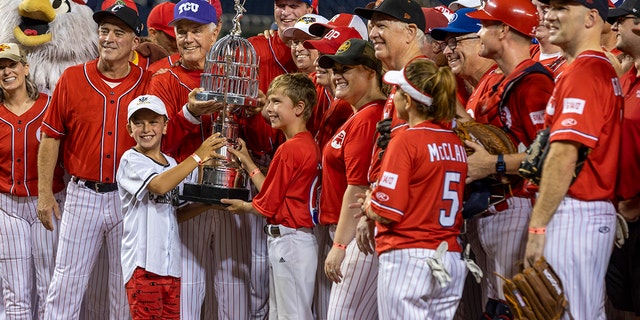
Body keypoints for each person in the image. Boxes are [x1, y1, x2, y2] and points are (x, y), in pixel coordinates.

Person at [37, 3, 151, 319]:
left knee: (123, 289)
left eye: (119, 32)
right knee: (65, 285)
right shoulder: (73, 78)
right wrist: (45, 194)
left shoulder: (150, 81)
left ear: (135, 41)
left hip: (129, 199)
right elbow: (50, 138)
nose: (109, 38)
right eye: (104, 30)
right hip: (82, 196)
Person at [147, 1, 255, 319]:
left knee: (234, 297)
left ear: (215, 32)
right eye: (182, 31)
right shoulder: (164, 80)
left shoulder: (233, 76)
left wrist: (255, 111)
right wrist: (190, 115)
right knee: (187, 296)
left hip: (232, 192)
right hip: (188, 194)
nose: (188, 38)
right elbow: (158, 147)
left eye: (196, 30)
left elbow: (258, 140)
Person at [523, 0, 623, 319]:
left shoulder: (587, 70)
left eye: (562, 8)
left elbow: (565, 154)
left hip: (575, 212)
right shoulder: (590, 67)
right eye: (549, 8)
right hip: (584, 212)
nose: (550, 15)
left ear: (592, 18)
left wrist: (537, 229)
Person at [463, 1, 556, 317]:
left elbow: (547, 155)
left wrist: (492, 164)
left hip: (518, 207)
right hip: (492, 207)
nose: (479, 31)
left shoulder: (533, 82)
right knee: (496, 306)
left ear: (503, 30)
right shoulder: (499, 80)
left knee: (515, 308)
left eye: (485, 25)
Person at [363, 58, 468, 320]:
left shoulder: (406, 140)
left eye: (398, 90)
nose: (394, 95)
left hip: (410, 258)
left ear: (408, 101)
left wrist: (369, 203)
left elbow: (387, 211)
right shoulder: (455, 142)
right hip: (450, 258)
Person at [221, 73, 320, 320]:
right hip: (293, 240)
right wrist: (247, 161)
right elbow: (271, 192)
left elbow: (267, 204)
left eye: (276, 102)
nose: (269, 109)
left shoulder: (291, 148)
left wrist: (243, 206)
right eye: (269, 102)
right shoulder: (304, 143)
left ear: (299, 108)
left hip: (292, 240)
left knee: (292, 316)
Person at [117, 95, 225, 319]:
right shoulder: (131, 159)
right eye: (138, 123)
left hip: (170, 267)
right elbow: (159, 185)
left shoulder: (172, 164)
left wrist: (210, 203)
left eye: (153, 121)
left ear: (165, 126)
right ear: (129, 129)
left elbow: (175, 211)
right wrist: (198, 156)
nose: (146, 129)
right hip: (143, 266)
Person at [317, 39, 386, 320]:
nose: (337, 75)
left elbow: (358, 186)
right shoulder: (361, 114)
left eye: (346, 68)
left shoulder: (369, 117)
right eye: (335, 69)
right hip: (353, 230)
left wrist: (340, 246)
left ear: (371, 72)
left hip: (358, 234)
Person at [0, 42, 64, 319]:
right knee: (15, 292)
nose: (6, 72)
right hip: (7, 206)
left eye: (11, 64)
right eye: (0, 68)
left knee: (50, 284)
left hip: (48, 202)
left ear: (26, 68)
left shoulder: (50, 106)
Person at [605, 0, 640, 317]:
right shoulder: (626, 78)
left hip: (635, 213)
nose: (613, 26)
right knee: (623, 306)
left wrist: (634, 205)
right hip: (620, 216)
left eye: (621, 20)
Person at [531, 0, 567, 76]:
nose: (538, 16)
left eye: (545, 10)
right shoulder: (525, 52)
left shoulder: (570, 66)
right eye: (533, 8)